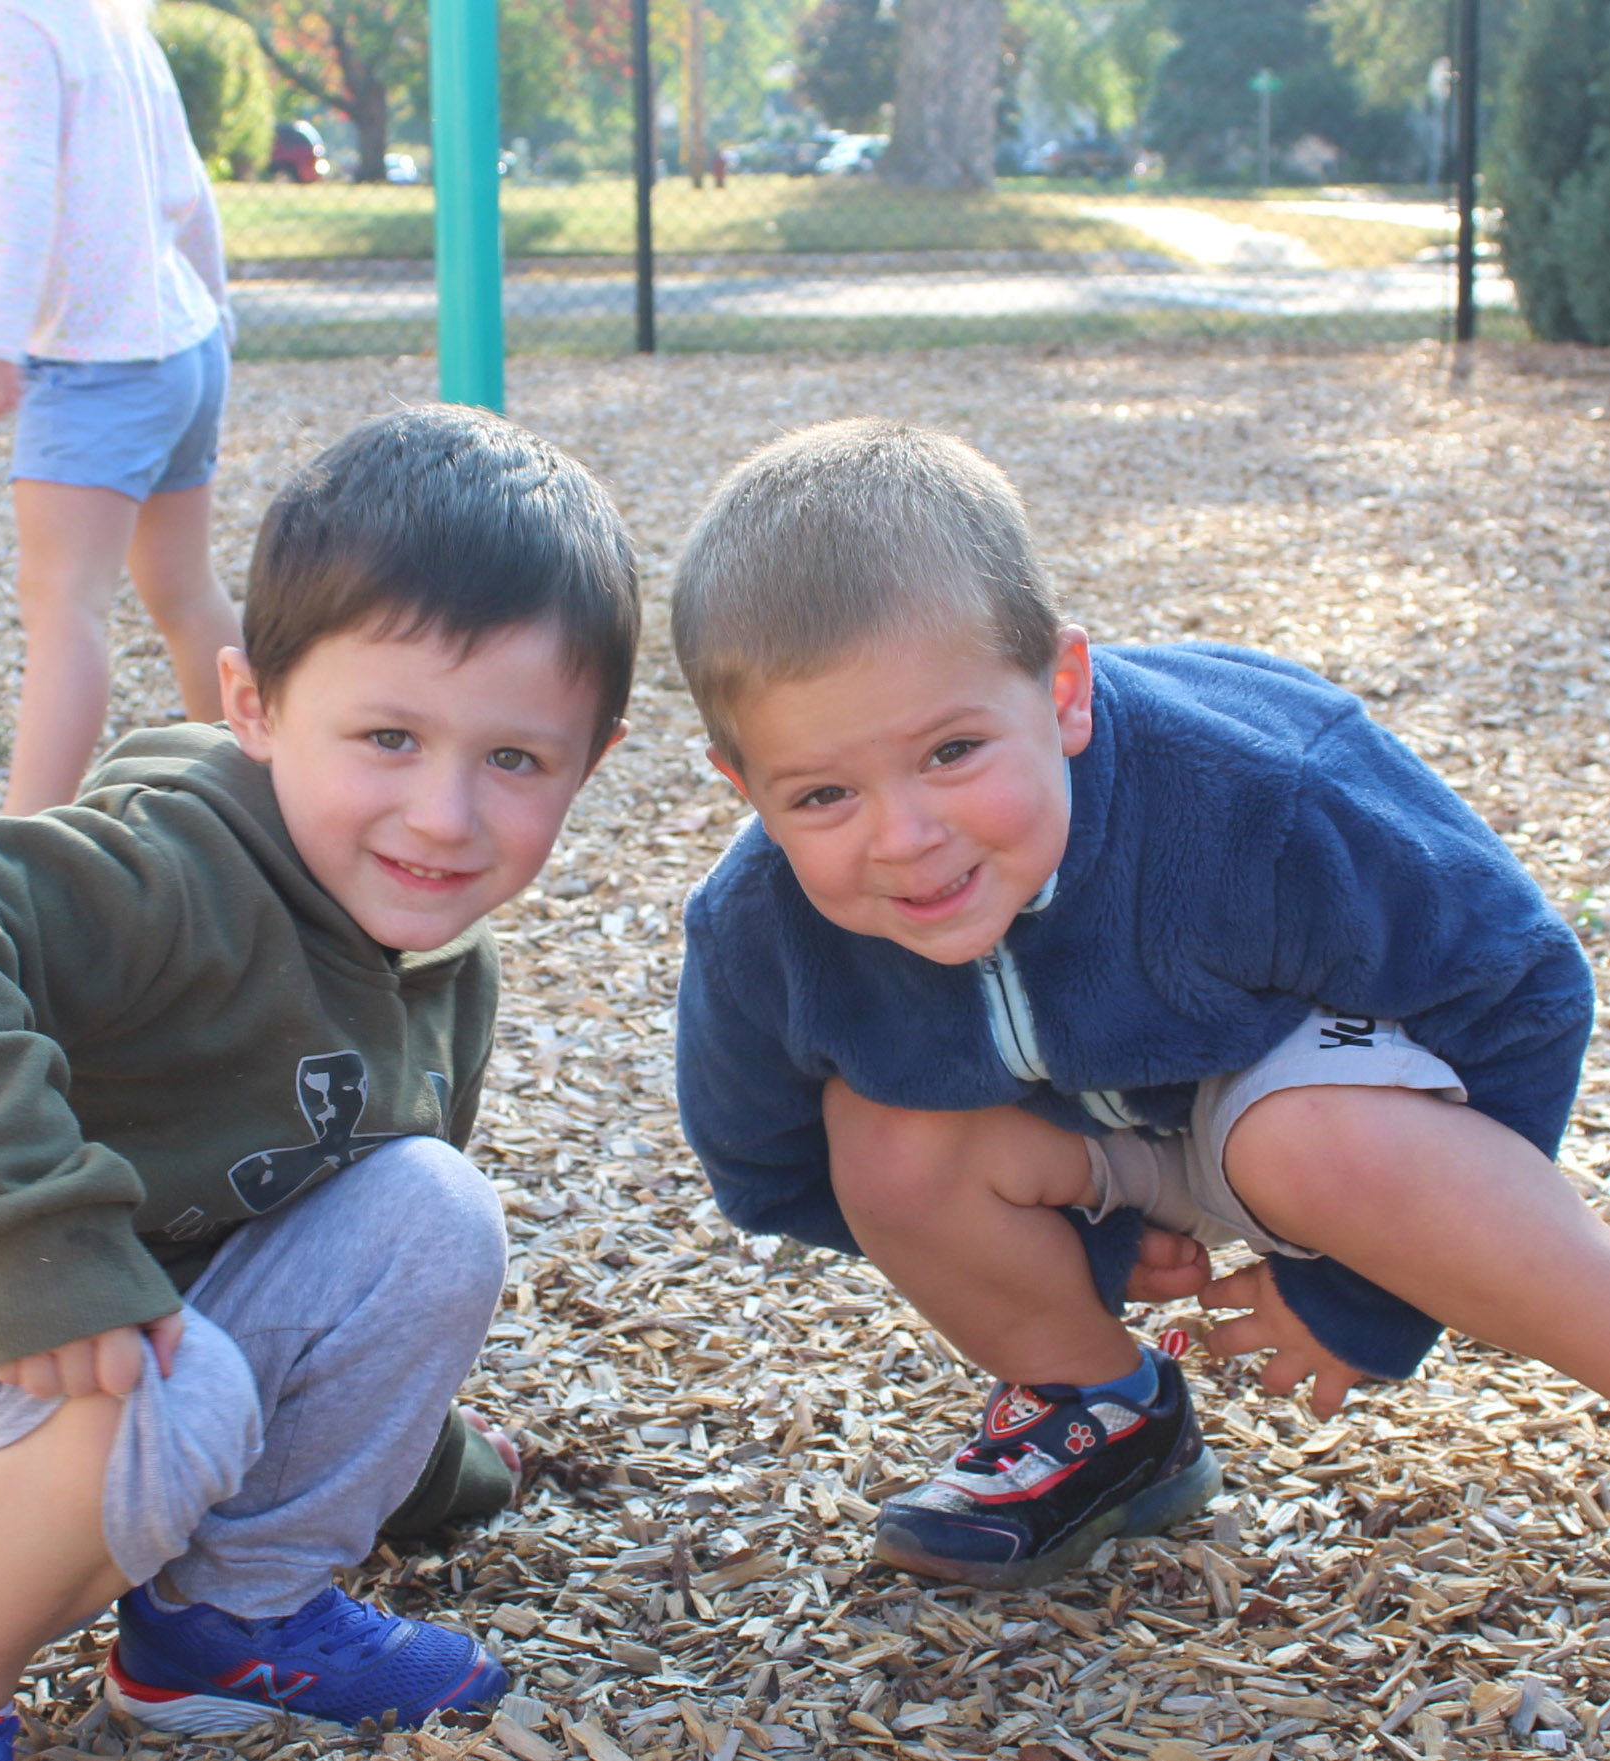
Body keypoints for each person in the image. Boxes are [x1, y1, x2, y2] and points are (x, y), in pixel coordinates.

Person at [670, 418, 1599, 1592]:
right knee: (886, 1144)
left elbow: (1521, 984)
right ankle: (1105, 1412)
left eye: (953, 751)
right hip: (1088, 1136)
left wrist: (1371, 1294)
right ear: (742, 786)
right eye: (821, 794)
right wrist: (1070, 1253)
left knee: (1311, 1143)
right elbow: (768, 1167)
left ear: (1063, 691)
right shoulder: (759, 926)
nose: (904, 836)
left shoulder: (1257, 794)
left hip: (1315, 1083)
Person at [0, 406, 640, 1755]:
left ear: (589, 761)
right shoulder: (175, 867)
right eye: (387, 736)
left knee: (433, 1201)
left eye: (511, 759)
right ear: (253, 705)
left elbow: (350, 1245)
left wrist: (411, 1462)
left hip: (143, 1377)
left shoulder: (435, 953)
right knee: (189, 1383)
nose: (443, 815)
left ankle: (224, 1631)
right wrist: (37, 1234)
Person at [0, 0, 243, 814]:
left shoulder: (12, 21)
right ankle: (263, 793)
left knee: (63, 606)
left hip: (97, 358)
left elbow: (22, 172)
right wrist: (216, 311)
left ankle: (17, 855)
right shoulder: (112, 16)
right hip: (183, 345)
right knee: (184, 588)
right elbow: (187, 182)